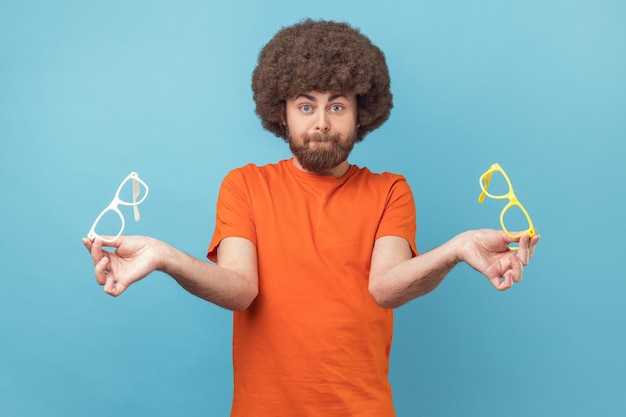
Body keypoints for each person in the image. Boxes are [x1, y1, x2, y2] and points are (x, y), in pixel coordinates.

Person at [83, 19, 539, 417]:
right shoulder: (245, 186)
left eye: (337, 105)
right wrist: (164, 256)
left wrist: (456, 250)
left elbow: (385, 287)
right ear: (281, 113)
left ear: (361, 113)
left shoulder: (390, 191)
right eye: (306, 106)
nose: (321, 122)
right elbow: (240, 290)